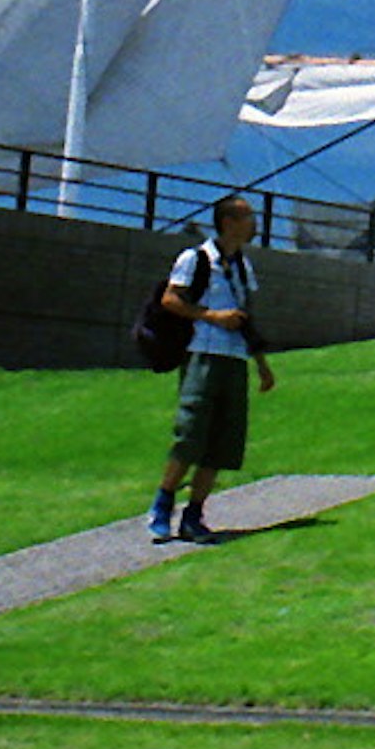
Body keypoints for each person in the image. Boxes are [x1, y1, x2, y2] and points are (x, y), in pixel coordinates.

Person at [147, 193, 274, 543]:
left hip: (234, 358)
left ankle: (194, 514)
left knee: (222, 440)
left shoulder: (243, 267)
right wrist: (211, 316)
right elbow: (170, 299)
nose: (253, 223)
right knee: (191, 432)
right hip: (202, 352)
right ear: (228, 221)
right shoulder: (196, 259)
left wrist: (261, 364)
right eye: (247, 217)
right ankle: (163, 503)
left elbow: (247, 319)